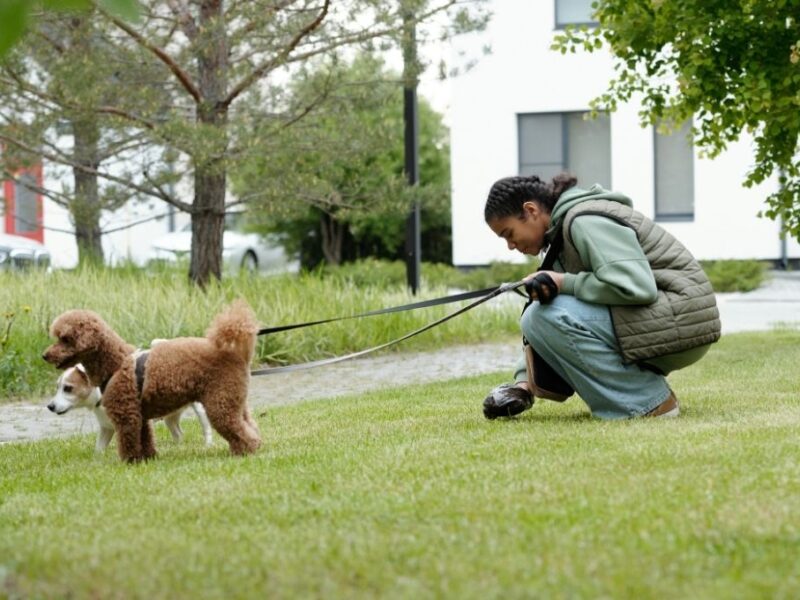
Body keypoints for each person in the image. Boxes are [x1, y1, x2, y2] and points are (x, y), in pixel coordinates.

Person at [481, 173, 721, 420]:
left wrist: (565, 282)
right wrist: (523, 384)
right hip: (670, 321)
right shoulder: (560, 237)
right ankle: (643, 393)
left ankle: (649, 403)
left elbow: (636, 286)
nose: (510, 245)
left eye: (509, 233)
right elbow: (546, 316)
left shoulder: (585, 220)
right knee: (540, 312)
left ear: (530, 210)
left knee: (542, 314)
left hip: (683, 321)